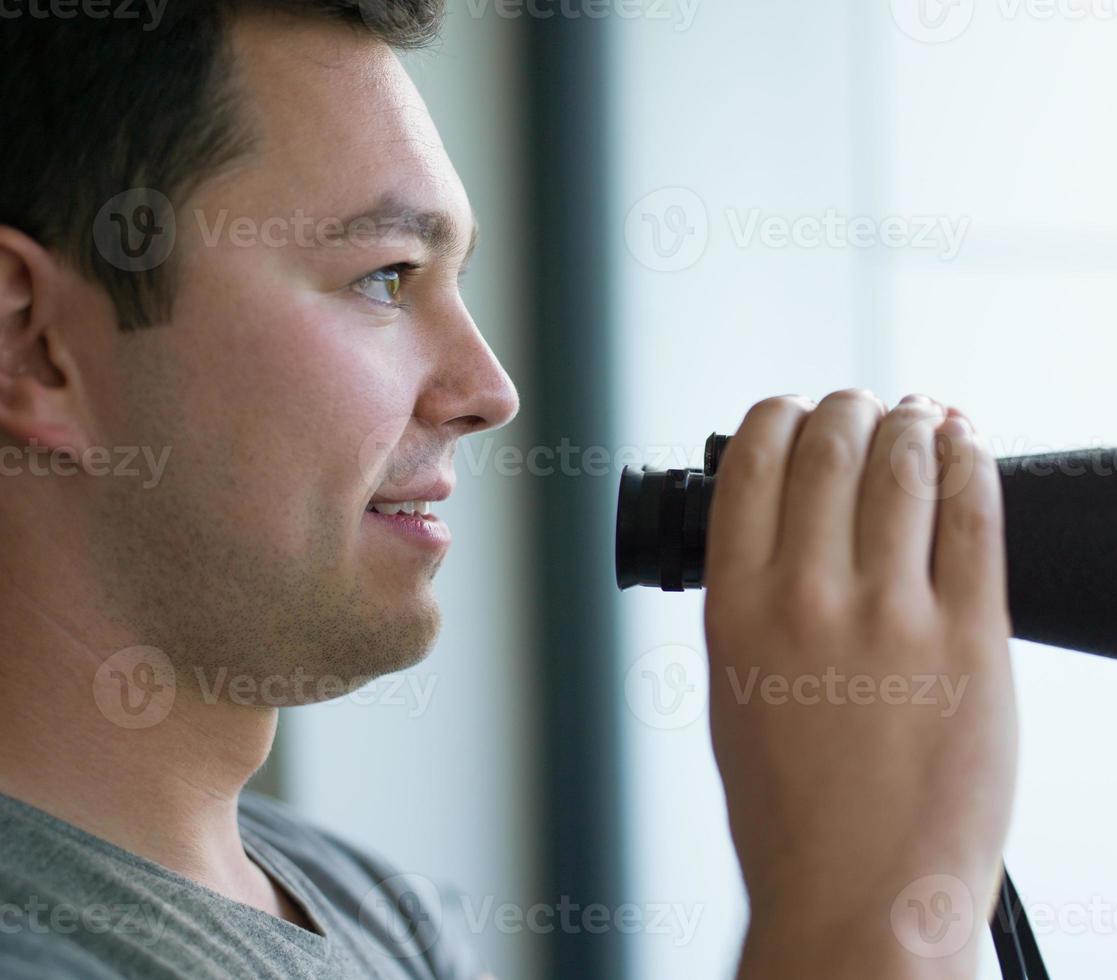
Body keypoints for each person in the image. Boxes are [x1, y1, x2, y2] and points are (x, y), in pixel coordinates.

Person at [0, 2, 1016, 977]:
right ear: (32, 348)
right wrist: (862, 906)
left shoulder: (382, 912)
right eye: (385, 276)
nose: (488, 391)